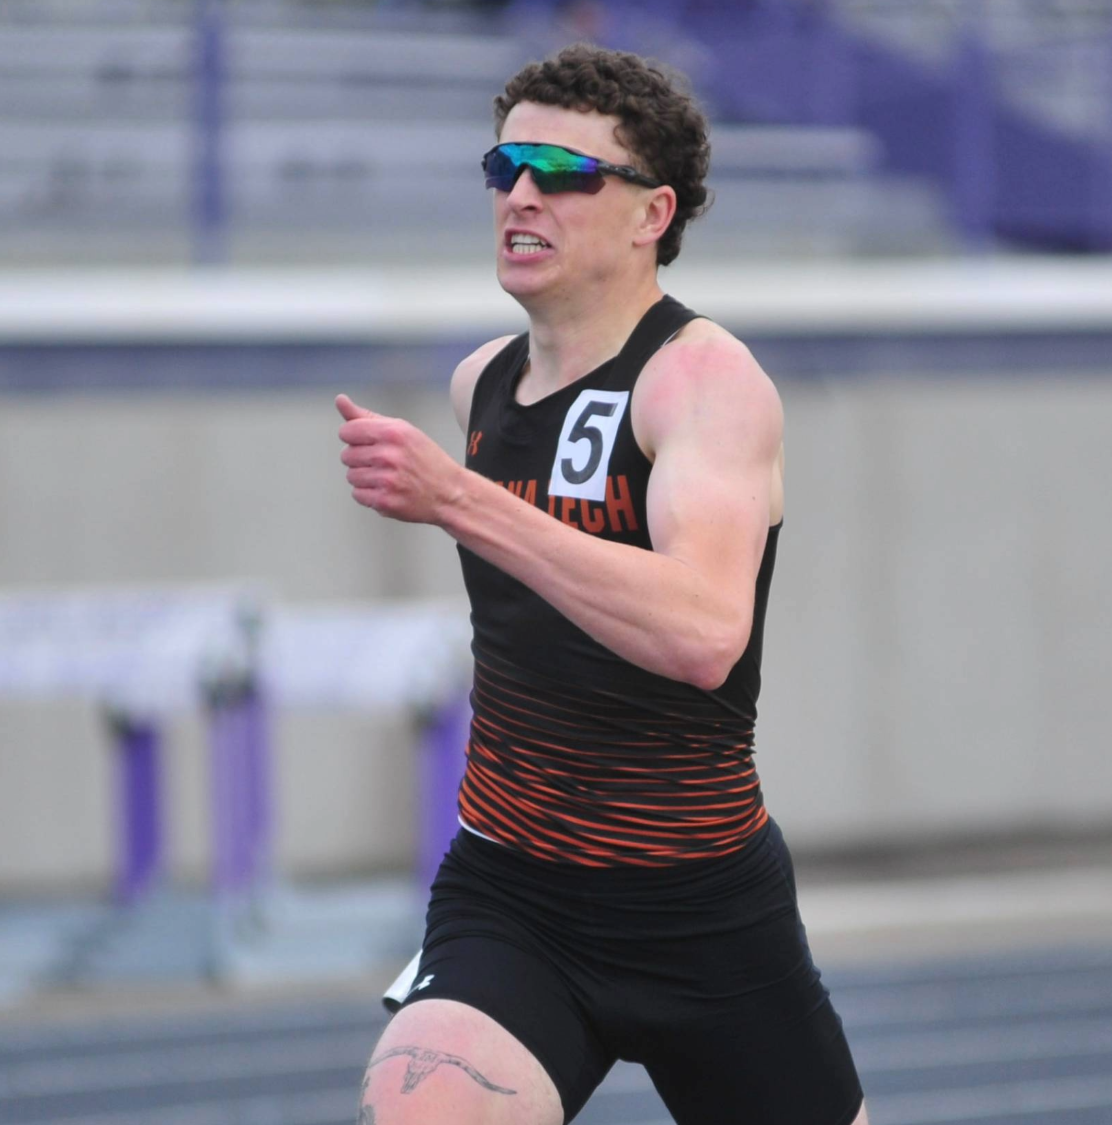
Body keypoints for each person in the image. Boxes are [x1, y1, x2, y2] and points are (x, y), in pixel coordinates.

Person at [335, 43, 868, 1125]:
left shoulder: (704, 383)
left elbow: (703, 632)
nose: (521, 196)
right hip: (514, 892)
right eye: (503, 170)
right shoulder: (480, 381)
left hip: (701, 910)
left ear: (649, 213)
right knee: (418, 1102)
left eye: (562, 173)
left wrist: (459, 499)